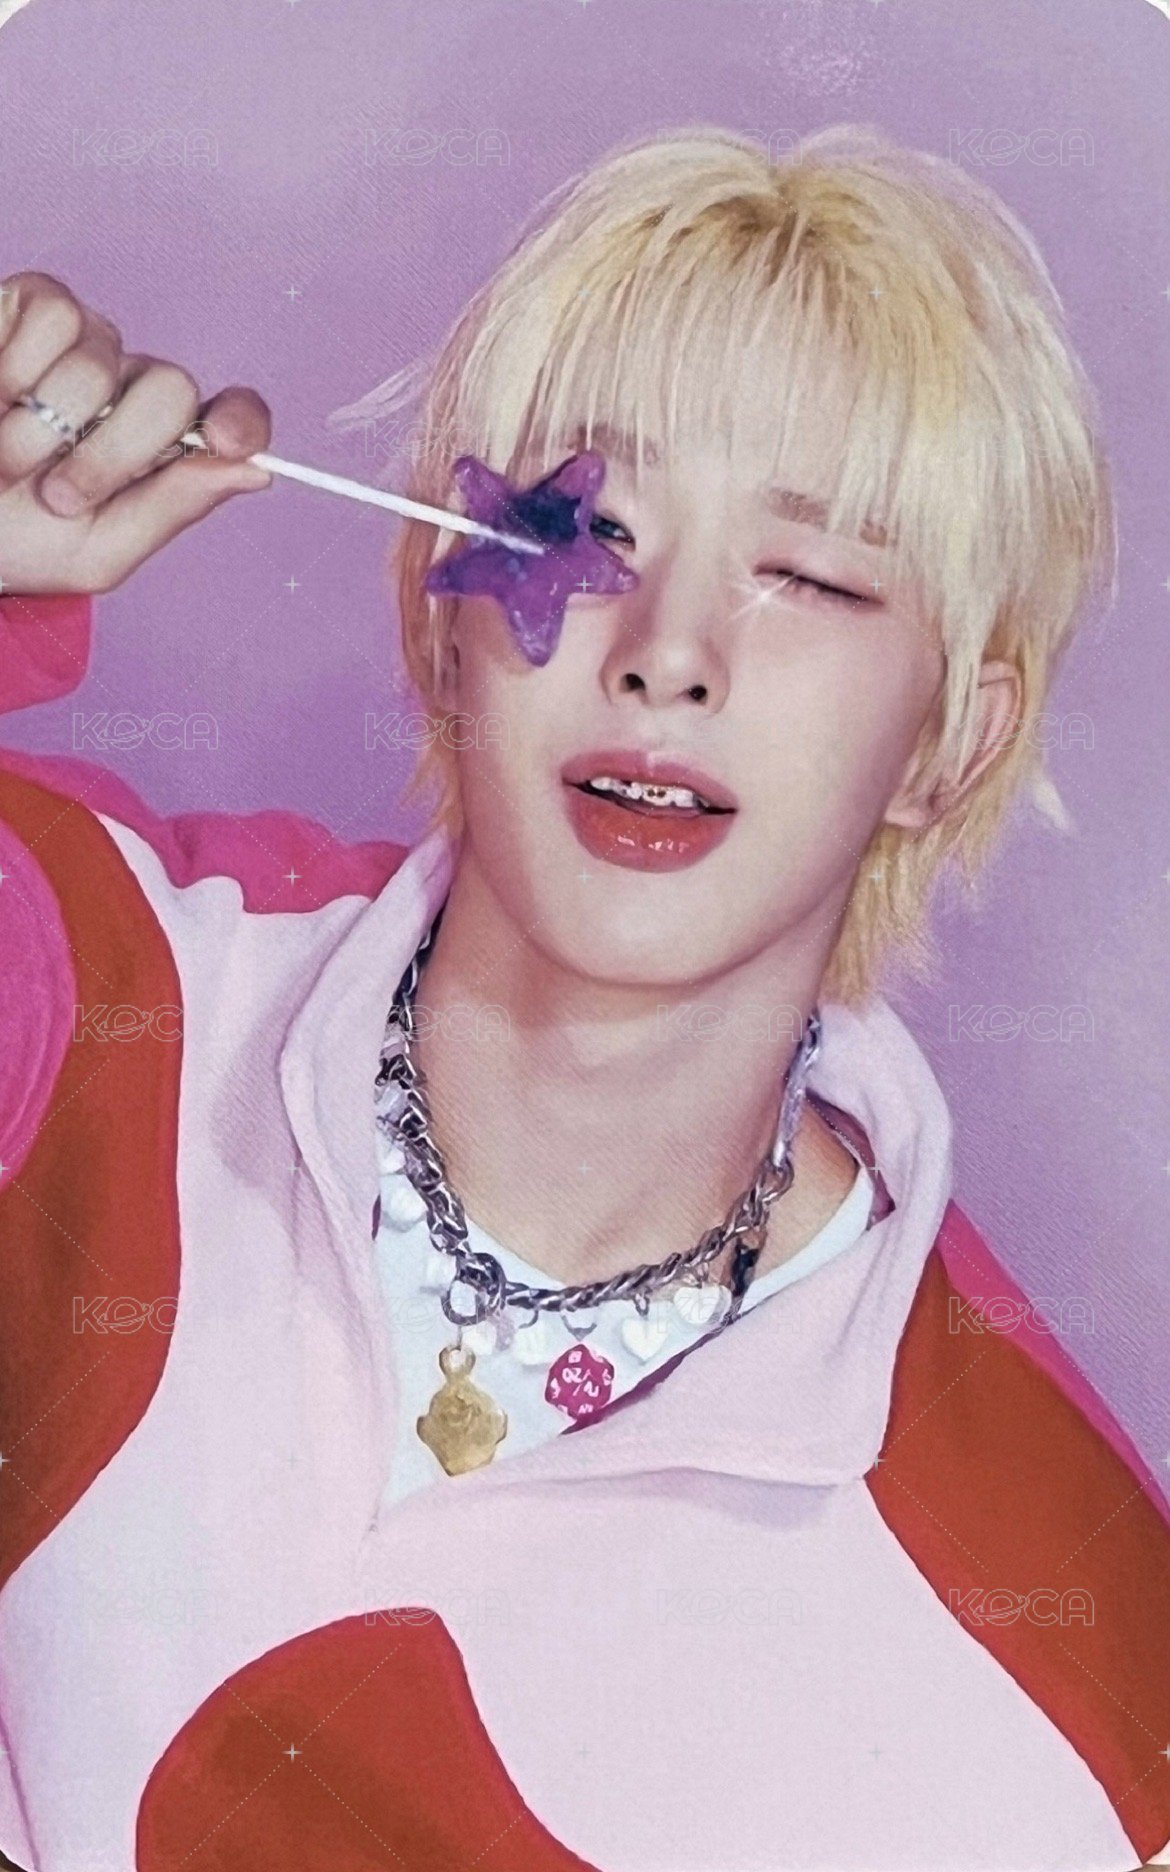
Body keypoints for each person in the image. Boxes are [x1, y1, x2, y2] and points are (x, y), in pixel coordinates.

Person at [0, 124, 1167, 1872]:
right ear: (439, 617)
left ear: (950, 743)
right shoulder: (84, 983)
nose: (667, 654)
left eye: (811, 577)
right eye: (589, 531)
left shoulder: (1071, 1677)